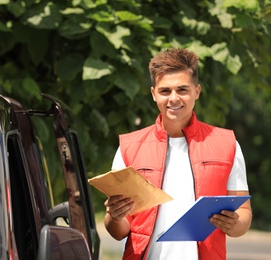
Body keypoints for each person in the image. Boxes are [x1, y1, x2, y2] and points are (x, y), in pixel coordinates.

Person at [104, 48, 252, 260]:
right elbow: (118, 231)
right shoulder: (128, 147)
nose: (174, 98)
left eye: (182, 89)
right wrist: (114, 216)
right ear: (154, 94)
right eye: (165, 91)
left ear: (197, 91)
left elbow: (244, 215)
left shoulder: (227, 144)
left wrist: (234, 223)